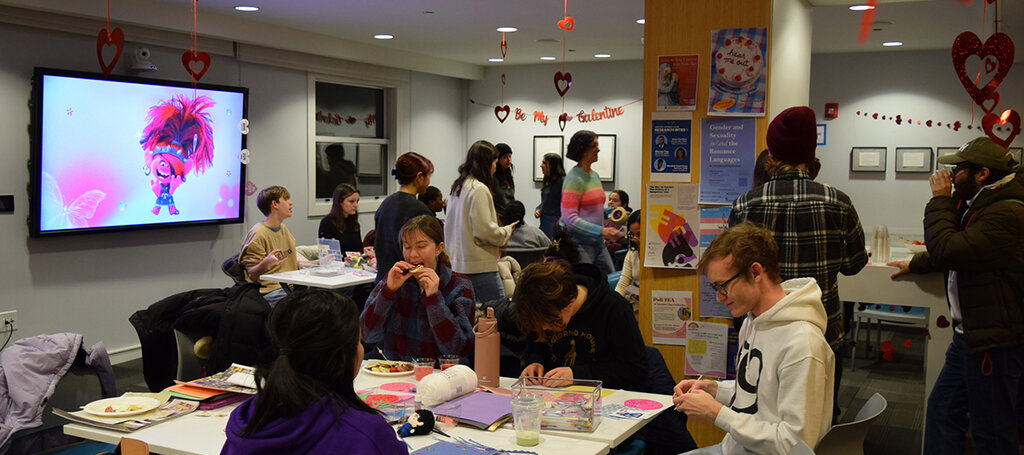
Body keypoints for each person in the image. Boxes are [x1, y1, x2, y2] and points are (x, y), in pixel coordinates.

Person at [727, 106, 866, 423]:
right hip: (821, 332)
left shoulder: (745, 203)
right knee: (818, 419)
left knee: (758, 415)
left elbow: (731, 270)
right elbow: (854, 264)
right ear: (811, 151)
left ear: (772, 152)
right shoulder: (838, 201)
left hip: (762, 334)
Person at [887, 136, 1024, 454]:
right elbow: (964, 250)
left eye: (959, 169)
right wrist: (917, 263)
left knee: (992, 431)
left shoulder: (1008, 213)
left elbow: (949, 248)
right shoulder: (984, 203)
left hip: (994, 341)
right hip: (971, 337)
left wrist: (940, 200)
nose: (951, 174)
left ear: (982, 174)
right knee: (943, 413)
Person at [673, 222, 834, 454]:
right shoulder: (752, 320)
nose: (719, 298)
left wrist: (716, 413)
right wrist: (713, 390)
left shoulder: (802, 344)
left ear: (756, 272)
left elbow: (795, 445)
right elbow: (756, 394)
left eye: (723, 286)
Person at [222, 289, 406, 455]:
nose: (361, 349)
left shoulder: (249, 418)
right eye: (358, 341)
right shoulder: (366, 432)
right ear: (342, 357)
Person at [512, 258, 647, 391]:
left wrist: (576, 374)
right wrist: (535, 362)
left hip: (605, 397)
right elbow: (537, 345)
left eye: (550, 322)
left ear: (570, 302)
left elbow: (634, 370)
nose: (545, 328)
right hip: (552, 397)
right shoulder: (541, 306)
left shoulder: (614, 308)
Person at [361, 215, 476, 362]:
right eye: (407, 247)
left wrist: (434, 298)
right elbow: (368, 335)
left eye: (421, 246)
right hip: (396, 373)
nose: (413, 254)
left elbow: (458, 349)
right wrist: (388, 291)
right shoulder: (394, 279)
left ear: (439, 248)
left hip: (440, 377)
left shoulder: (459, 285)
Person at [446, 140, 515, 303]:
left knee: (471, 315)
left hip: (458, 263)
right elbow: (485, 232)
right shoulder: (479, 189)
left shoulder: (458, 186)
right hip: (479, 266)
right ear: (485, 163)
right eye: (494, 162)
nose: (495, 167)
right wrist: (506, 231)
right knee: (497, 312)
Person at [562, 130, 620, 275]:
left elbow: (595, 209)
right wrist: (602, 230)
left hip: (599, 244)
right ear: (583, 149)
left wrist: (614, 213)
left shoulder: (595, 176)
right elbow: (569, 219)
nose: (598, 149)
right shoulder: (573, 178)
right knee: (585, 287)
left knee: (609, 284)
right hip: (580, 246)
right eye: (594, 145)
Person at [373, 152, 434, 284]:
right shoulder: (420, 210)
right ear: (419, 177)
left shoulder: (385, 204)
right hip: (407, 282)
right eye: (429, 176)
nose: (429, 182)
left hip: (384, 280)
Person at [240, 186, 299, 307]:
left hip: (291, 285)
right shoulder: (258, 233)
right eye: (286, 199)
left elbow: (289, 261)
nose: (291, 202)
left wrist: (315, 263)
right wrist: (266, 263)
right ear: (275, 204)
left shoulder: (283, 228)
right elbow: (251, 274)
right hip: (271, 291)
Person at [318, 183, 366, 254]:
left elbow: (358, 248)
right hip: (337, 264)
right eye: (351, 201)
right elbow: (327, 254)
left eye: (357, 201)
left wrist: (365, 252)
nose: (356, 205)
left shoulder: (353, 222)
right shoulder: (327, 223)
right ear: (340, 202)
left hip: (354, 263)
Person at [615, 210, 642, 318]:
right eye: (633, 234)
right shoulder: (632, 253)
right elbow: (624, 285)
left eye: (639, 234)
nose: (635, 239)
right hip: (636, 297)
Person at [535, 152, 566, 239]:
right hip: (545, 221)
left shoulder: (563, 182)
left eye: (544, 163)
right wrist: (539, 209)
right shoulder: (548, 181)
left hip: (555, 222)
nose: (541, 165)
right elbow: (546, 202)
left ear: (553, 165)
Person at [492, 143, 516, 222]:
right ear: (497, 159)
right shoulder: (493, 178)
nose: (509, 160)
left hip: (510, 216)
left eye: (510, 156)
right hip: (498, 219)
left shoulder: (509, 176)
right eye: (505, 157)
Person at [604, 189, 631, 255]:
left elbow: (621, 244)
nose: (611, 202)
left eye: (615, 200)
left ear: (624, 205)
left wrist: (606, 244)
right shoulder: (604, 218)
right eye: (610, 199)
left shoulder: (627, 221)